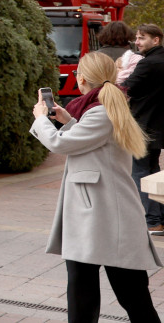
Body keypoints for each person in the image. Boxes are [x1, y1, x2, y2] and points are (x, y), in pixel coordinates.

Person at [31, 51, 162, 322]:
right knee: (89, 289)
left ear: (81, 78)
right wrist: (68, 121)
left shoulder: (101, 112)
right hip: (95, 212)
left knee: (129, 294)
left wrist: (41, 118)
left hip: (101, 214)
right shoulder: (102, 109)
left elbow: (59, 144)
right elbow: (91, 142)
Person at [125, 24, 164, 233]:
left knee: (140, 172)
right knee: (153, 170)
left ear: (155, 40)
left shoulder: (148, 63)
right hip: (157, 125)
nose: (137, 42)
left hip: (143, 124)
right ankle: (160, 218)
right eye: (137, 38)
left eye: (142, 38)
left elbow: (127, 87)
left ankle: (152, 220)